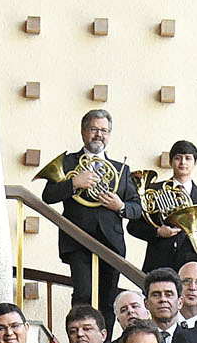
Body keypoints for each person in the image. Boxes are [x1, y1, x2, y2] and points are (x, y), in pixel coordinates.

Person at [40, 108, 132, 312]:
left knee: (108, 299)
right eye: (94, 129)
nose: (99, 134)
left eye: (104, 131)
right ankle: (79, 342)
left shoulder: (121, 170)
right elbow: (48, 196)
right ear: (83, 132)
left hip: (111, 243)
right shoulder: (68, 162)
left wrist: (121, 206)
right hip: (77, 240)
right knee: (83, 294)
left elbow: (137, 208)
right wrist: (74, 182)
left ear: (109, 135)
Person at [129, 138, 197, 272]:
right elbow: (133, 226)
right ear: (171, 162)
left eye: (188, 158)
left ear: (195, 163)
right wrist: (157, 232)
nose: (183, 162)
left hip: (192, 266)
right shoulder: (153, 191)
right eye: (178, 158)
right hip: (158, 261)